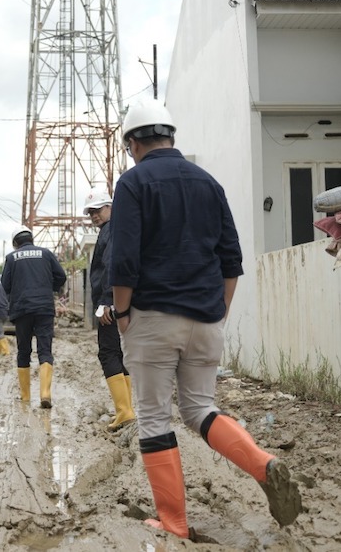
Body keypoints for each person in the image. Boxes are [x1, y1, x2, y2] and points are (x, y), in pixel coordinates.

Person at [108, 101, 302, 537]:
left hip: (153, 317)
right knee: (199, 408)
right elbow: (231, 260)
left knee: (155, 417)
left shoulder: (133, 182)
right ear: (171, 137)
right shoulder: (209, 183)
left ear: (133, 143)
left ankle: (174, 522)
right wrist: (218, 312)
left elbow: (124, 261)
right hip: (207, 316)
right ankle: (263, 463)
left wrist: (122, 313)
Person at [83, 187, 135, 432]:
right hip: (121, 302)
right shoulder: (116, 229)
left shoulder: (109, 232)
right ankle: (127, 409)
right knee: (118, 353)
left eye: (98, 210)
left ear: (110, 207)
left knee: (108, 353)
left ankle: (125, 412)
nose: (94, 215)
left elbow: (110, 266)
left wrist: (106, 302)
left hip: (111, 303)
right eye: (91, 212)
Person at [0, 226, 66, 408]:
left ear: (15, 243)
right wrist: (48, 286)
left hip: (22, 309)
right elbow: (61, 276)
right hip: (44, 308)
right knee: (45, 350)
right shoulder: (46, 254)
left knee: (24, 351)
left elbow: (5, 286)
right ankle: (45, 394)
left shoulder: (11, 258)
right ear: (31, 239)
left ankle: (26, 396)